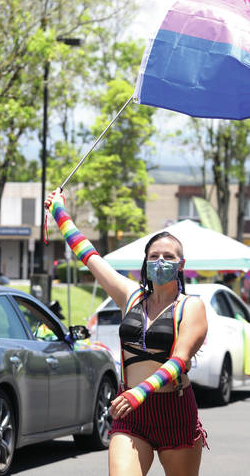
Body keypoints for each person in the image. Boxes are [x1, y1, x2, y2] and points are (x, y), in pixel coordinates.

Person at [45, 189, 208, 476]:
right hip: (130, 413)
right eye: (154, 256)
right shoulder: (130, 296)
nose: (160, 261)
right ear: (145, 262)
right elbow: (88, 254)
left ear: (181, 265)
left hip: (174, 411)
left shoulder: (191, 306)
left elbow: (180, 360)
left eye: (168, 256)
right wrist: (59, 211)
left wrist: (141, 391)